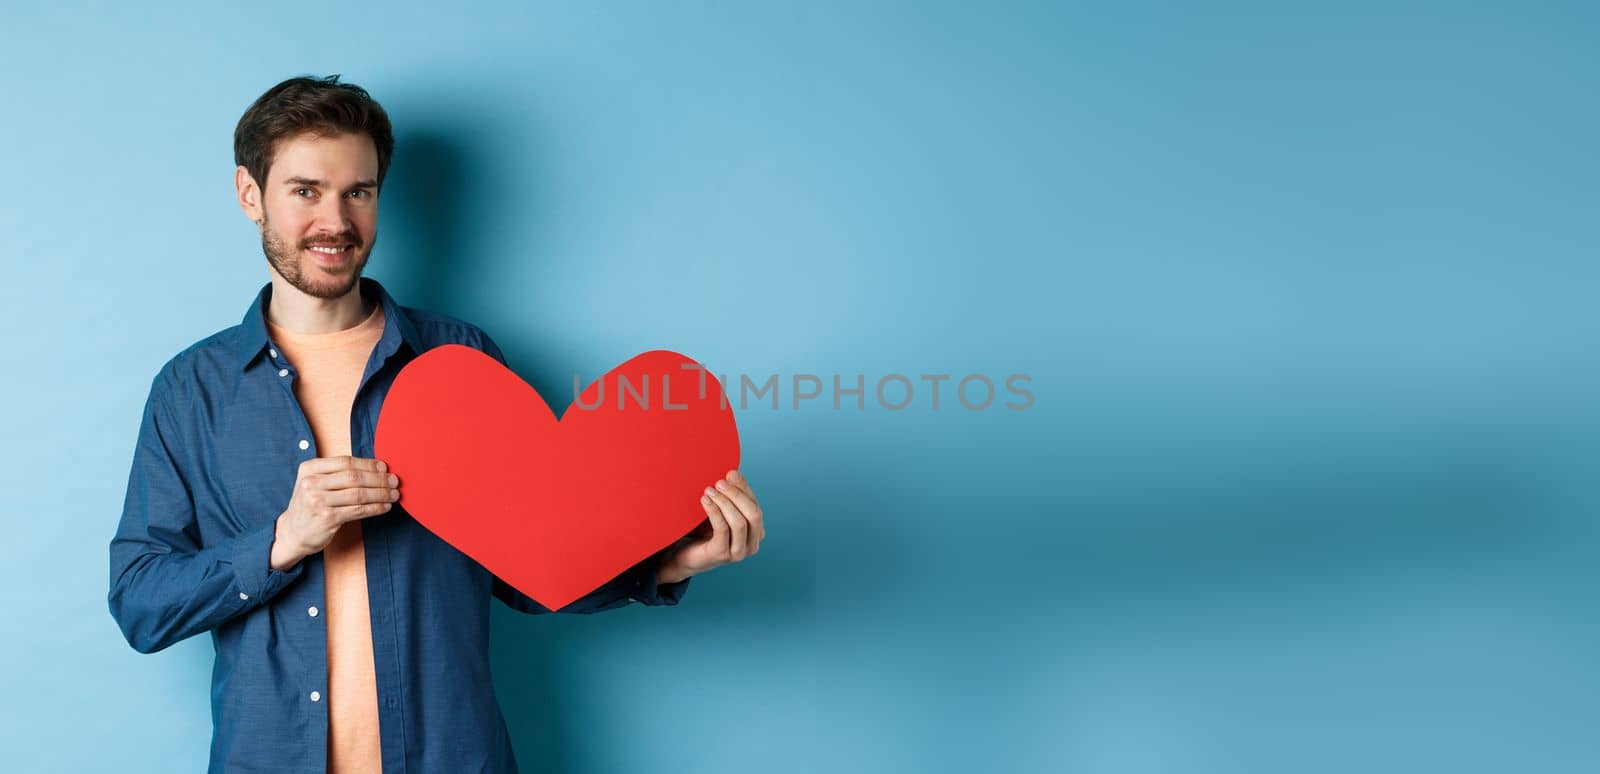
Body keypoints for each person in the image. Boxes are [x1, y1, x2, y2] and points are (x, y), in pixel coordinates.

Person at [106, 74, 765, 773]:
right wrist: (282, 540)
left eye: (357, 192)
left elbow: (530, 566)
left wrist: (669, 562)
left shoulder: (463, 361)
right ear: (250, 195)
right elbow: (141, 604)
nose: (335, 221)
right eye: (305, 191)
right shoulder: (190, 391)